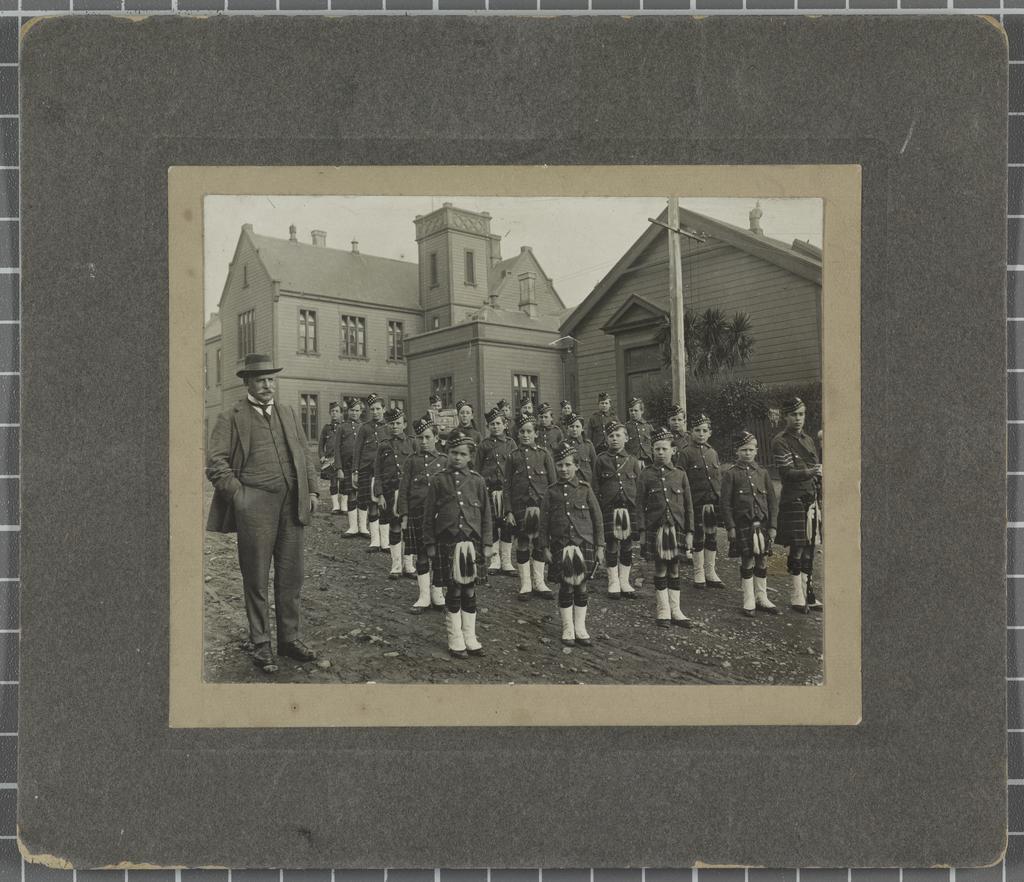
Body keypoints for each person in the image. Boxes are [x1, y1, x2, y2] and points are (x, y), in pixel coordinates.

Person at [205, 353, 320, 673]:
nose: (268, 385)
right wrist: (239, 496)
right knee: (255, 577)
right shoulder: (231, 417)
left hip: (291, 505)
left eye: (271, 379)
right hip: (254, 507)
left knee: (291, 576)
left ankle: (289, 638)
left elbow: (303, 452)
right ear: (247, 383)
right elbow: (215, 463)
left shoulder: (288, 413)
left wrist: (311, 490)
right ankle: (261, 643)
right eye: (261, 380)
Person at [423, 430, 493, 659]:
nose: (457, 457)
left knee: (470, 589)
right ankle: (455, 639)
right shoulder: (439, 480)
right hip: (447, 541)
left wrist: (487, 543)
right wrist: (430, 543)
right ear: (447, 453)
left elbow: (486, 515)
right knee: (453, 589)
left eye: (462, 454)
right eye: (453, 452)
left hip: (471, 543)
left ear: (470, 456)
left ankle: (470, 637)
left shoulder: (478, 481)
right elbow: (428, 514)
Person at [540, 443, 605, 646]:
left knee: (582, 586)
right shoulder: (551, 492)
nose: (564, 469)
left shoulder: (585, 490)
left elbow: (597, 519)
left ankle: (580, 627)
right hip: (560, 546)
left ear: (576, 466)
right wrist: (545, 547)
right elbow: (544, 523)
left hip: (583, 543)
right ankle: (567, 627)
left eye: (568, 465)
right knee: (566, 587)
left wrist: (600, 546)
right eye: (559, 465)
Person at [636, 429, 695, 627]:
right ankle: (663, 610)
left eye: (664, 449)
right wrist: (642, 532)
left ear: (673, 450)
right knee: (660, 567)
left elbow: (688, 507)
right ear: (652, 451)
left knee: (675, 568)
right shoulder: (646, 475)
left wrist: (689, 532)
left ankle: (676, 609)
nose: (660, 452)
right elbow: (639, 506)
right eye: (657, 449)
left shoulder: (680, 475)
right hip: (656, 529)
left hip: (675, 528)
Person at [771, 397, 823, 613]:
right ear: (786, 416)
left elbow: (815, 470)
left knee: (810, 546)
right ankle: (796, 595)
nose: (798, 418)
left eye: (801, 414)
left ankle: (808, 591)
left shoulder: (809, 440)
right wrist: (812, 471)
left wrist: (818, 479)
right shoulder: (780, 441)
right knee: (798, 546)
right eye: (794, 415)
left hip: (811, 497)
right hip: (793, 498)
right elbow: (786, 473)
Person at [722, 430, 780, 617]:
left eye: (751, 449)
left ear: (756, 451)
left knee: (762, 559)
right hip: (742, 525)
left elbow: (772, 502)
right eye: (743, 450)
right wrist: (730, 527)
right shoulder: (731, 474)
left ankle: (762, 597)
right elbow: (725, 504)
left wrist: (772, 526)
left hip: (761, 524)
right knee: (747, 559)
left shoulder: (763, 473)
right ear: (737, 452)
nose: (747, 453)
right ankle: (748, 599)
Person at [397, 417, 448, 614]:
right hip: (418, 514)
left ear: (436, 437)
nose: (423, 441)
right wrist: (404, 515)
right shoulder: (411, 461)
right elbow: (404, 489)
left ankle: (437, 594)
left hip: (439, 516)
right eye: (420, 438)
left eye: (427, 437)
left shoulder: (444, 461)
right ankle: (424, 596)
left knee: (439, 556)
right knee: (421, 554)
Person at [504, 414, 557, 600]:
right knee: (523, 543)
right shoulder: (513, 456)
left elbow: (553, 484)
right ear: (517, 434)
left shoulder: (544, 454)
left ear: (535, 434)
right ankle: (525, 584)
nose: (525, 435)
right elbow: (507, 486)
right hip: (521, 508)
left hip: (541, 507)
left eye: (529, 432)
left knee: (541, 543)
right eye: (522, 432)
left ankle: (539, 582)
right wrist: (509, 510)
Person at [594, 420, 642, 598]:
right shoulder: (601, 460)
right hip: (610, 507)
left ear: (626, 438)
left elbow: (639, 486)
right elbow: (596, 486)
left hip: (629, 507)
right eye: (611, 436)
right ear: (606, 439)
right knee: (612, 544)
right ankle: (613, 581)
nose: (614, 439)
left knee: (628, 544)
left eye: (618, 435)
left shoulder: (632, 461)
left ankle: (624, 580)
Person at [678, 413, 724, 589]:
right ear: (691, 432)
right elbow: (681, 479)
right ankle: (698, 572)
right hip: (695, 502)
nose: (701, 434)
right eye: (697, 430)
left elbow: (717, 478)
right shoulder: (685, 453)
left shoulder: (712, 452)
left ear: (710, 433)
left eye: (705, 430)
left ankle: (710, 571)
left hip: (711, 502)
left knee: (711, 536)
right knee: (698, 537)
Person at [373, 408, 416, 578]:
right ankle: (396, 565)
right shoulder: (384, 445)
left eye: (398, 423)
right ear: (388, 426)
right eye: (392, 423)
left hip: (408, 493)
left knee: (409, 528)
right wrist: (380, 494)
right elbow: (377, 472)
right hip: (390, 491)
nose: (395, 426)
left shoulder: (412, 443)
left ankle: (409, 565)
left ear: (405, 424)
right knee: (395, 526)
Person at [476, 406, 518, 577]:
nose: (495, 426)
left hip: (506, 490)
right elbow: (478, 469)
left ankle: (507, 561)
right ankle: (495, 560)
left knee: (507, 525)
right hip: (489, 490)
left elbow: (516, 466)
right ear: (488, 426)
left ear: (505, 424)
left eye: (498, 423)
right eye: (492, 424)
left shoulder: (511, 443)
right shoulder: (484, 445)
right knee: (492, 524)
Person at [352, 393, 388, 552]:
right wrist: (355, 471)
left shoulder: (389, 426)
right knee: (371, 503)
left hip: (386, 471)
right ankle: (375, 541)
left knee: (385, 505)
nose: (375, 412)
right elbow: (357, 450)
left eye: (378, 408)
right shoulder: (365, 428)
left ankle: (386, 542)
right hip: (367, 469)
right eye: (372, 409)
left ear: (384, 409)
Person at [335, 397, 364, 536]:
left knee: (363, 496)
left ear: (361, 412)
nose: (354, 413)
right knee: (351, 494)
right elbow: (336, 449)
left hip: (361, 467)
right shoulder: (342, 427)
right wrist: (339, 468)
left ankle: (363, 527)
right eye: (352, 410)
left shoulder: (364, 427)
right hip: (346, 466)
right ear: (348, 411)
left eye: (357, 410)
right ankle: (353, 527)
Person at [318, 401, 343, 514]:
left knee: (343, 481)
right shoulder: (326, 428)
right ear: (329, 413)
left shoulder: (344, 426)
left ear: (341, 413)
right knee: (333, 482)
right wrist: (322, 456)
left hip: (342, 458)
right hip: (330, 459)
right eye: (332, 411)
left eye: (337, 411)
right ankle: (335, 506)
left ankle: (344, 506)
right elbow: (321, 444)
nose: (334, 413)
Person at [563, 411, 597, 484]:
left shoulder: (588, 445)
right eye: (571, 426)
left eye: (577, 426)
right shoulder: (563, 445)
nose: (574, 429)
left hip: (587, 482)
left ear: (582, 429)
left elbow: (595, 467)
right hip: (569, 483)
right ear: (567, 428)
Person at [625, 396, 654, 467]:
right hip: (632, 461)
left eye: (636, 410)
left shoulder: (648, 426)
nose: (633, 413)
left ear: (642, 411)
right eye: (631, 410)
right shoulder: (626, 427)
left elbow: (654, 443)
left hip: (648, 461)